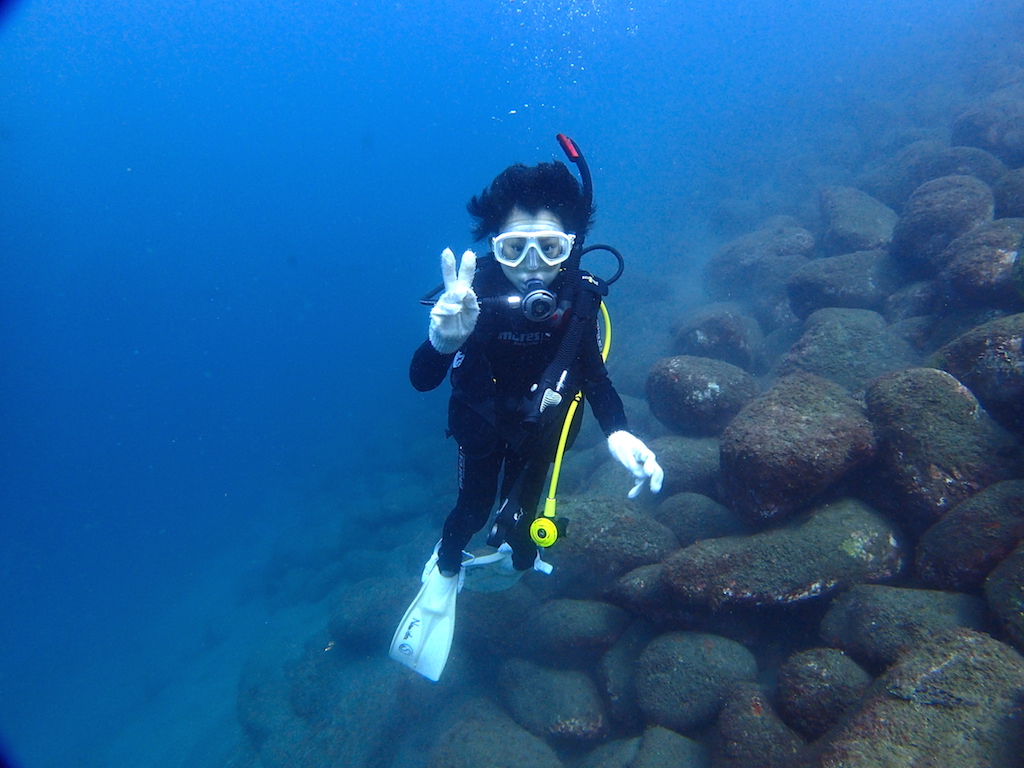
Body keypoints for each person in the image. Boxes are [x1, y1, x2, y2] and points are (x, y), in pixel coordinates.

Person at [390, 151, 663, 681]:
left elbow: (596, 380)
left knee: (523, 517)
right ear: (492, 246)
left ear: (571, 246)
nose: (533, 264)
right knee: (470, 508)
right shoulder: (471, 298)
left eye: (551, 247)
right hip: (481, 425)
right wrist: (442, 342)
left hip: (545, 431)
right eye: (514, 249)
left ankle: (518, 557)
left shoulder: (579, 301)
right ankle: (445, 570)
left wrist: (621, 433)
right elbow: (422, 379)